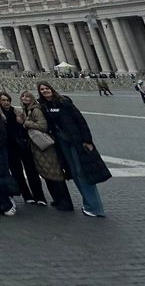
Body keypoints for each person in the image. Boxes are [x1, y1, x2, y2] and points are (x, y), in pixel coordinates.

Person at [38, 82, 110, 217]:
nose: (45, 91)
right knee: (74, 173)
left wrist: (87, 140)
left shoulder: (64, 102)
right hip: (62, 144)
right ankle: (88, 204)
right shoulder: (44, 106)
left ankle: (95, 207)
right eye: (42, 89)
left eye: (46, 88)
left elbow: (80, 120)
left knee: (82, 172)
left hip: (76, 142)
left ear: (52, 89)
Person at [20, 90, 74, 211]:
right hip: (38, 145)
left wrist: (27, 123)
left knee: (54, 172)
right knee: (46, 172)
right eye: (23, 96)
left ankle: (65, 201)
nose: (25, 98)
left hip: (45, 146)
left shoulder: (36, 110)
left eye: (27, 96)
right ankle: (57, 199)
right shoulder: (27, 110)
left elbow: (43, 126)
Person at [0, 91, 47, 205]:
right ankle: (27, 195)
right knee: (17, 173)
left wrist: (23, 122)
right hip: (9, 147)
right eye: (3, 100)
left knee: (32, 171)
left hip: (22, 145)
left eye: (7, 100)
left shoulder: (18, 113)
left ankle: (40, 196)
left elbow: (26, 127)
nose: (6, 103)